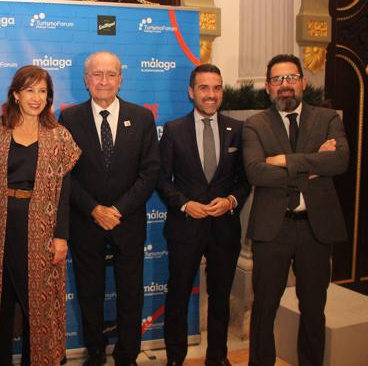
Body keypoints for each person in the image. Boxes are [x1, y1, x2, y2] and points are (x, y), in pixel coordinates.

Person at [242, 54, 349, 366]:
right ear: (267, 87)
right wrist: (314, 163)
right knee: (264, 308)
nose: (285, 85)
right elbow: (255, 172)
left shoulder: (327, 118)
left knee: (314, 307)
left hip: (316, 228)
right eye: (277, 80)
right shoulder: (255, 124)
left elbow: (340, 161)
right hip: (272, 230)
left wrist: (284, 160)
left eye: (291, 78)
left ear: (303, 81)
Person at [0, 65, 80, 366]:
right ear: (16, 94)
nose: (36, 97)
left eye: (42, 91)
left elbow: (65, 192)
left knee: (39, 307)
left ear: (49, 97)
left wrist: (61, 235)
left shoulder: (59, 137)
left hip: (42, 231)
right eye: (30, 90)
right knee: (0, 304)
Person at [59, 51, 161, 366]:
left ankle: (127, 354)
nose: (104, 81)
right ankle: (96, 352)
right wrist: (94, 209)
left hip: (127, 221)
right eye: (97, 74)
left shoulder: (142, 118)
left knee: (131, 293)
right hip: (86, 222)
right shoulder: (70, 118)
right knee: (89, 293)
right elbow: (65, 175)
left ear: (120, 78)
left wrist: (117, 209)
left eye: (110, 74)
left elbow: (150, 172)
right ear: (86, 80)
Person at [156, 64, 250, 366]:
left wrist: (232, 201)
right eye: (204, 88)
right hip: (185, 226)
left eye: (217, 88)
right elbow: (161, 178)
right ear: (191, 92)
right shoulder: (173, 130)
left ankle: (218, 357)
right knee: (178, 297)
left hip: (224, 228)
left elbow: (244, 179)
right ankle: (175, 358)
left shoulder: (237, 129)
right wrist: (185, 204)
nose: (211, 94)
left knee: (220, 298)